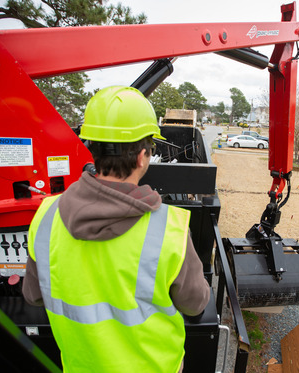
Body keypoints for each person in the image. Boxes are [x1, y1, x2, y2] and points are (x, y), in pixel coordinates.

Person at [22, 86, 210, 372]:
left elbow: (33, 295)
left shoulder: (46, 216)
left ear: (92, 149)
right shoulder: (168, 228)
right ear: (142, 156)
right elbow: (196, 304)